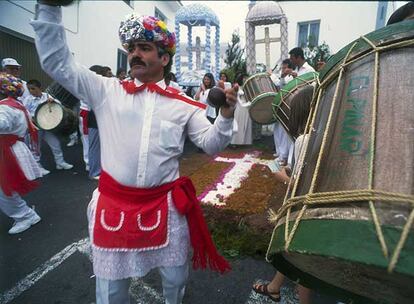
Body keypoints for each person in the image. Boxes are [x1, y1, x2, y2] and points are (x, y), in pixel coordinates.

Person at [32, 6, 238, 304]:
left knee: (175, 281)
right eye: (131, 49)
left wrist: (226, 116)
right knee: (111, 294)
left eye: (144, 48)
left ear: (164, 58)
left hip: (165, 208)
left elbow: (211, 144)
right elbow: (57, 63)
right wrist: (50, 9)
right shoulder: (106, 90)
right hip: (113, 208)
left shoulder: (184, 104)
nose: (134, 54)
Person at [252, 85, 315, 304]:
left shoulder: (302, 140)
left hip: (306, 207)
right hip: (318, 206)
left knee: (298, 256)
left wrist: (281, 176)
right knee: (291, 250)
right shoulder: (324, 133)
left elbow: (300, 185)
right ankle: (274, 287)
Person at [0, 73, 42, 234]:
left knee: (5, 188)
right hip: (11, 148)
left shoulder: (5, 107)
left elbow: (2, 123)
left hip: (7, 150)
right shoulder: (16, 104)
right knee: (7, 187)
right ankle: (24, 214)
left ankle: (25, 215)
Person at [23, 79, 73, 173]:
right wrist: (31, 119)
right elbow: (25, 112)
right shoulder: (28, 99)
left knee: (56, 144)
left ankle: (60, 162)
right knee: (36, 148)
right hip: (35, 127)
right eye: (29, 89)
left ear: (39, 88)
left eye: (33, 88)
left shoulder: (46, 96)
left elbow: (59, 106)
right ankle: (38, 167)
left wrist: (54, 101)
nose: (31, 91)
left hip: (47, 126)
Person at [273, 59, 295, 166]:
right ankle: (280, 154)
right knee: (278, 132)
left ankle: (285, 157)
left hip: (289, 107)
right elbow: (280, 89)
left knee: (286, 135)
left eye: (284, 67)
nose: (283, 69)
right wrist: (281, 76)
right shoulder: (283, 77)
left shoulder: (292, 76)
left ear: (289, 67)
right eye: (282, 67)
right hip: (281, 107)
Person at [230, 74, 252, 146]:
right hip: (239, 106)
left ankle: (244, 141)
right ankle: (234, 142)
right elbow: (237, 97)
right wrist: (243, 104)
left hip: (246, 106)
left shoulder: (247, 87)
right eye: (244, 78)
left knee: (245, 123)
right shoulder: (236, 86)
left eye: (246, 78)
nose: (245, 79)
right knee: (238, 123)